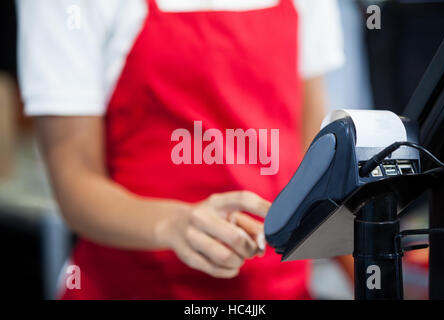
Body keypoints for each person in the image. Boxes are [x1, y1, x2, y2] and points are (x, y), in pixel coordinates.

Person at [17, 0, 347, 299]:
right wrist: (174, 224)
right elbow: (75, 182)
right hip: (135, 286)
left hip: (279, 289)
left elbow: (315, 162)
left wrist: (375, 268)